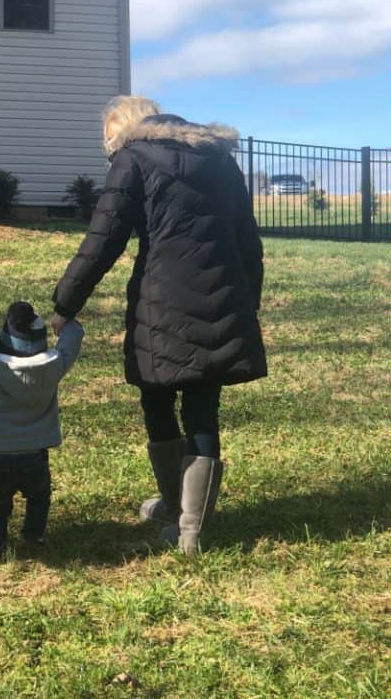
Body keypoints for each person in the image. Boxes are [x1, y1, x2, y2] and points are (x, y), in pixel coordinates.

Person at [51, 96, 266, 553]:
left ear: (129, 128)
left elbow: (101, 241)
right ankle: (193, 528)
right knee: (203, 409)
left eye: (109, 139)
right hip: (223, 297)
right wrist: (248, 303)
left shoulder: (133, 158)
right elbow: (248, 239)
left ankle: (175, 506)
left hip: (160, 301)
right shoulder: (220, 160)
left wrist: (65, 303)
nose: (107, 149)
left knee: (157, 398)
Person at [0, 301, 83, 563]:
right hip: (36, 455)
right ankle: (33, 534)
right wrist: (64, 321)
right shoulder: (54, 366)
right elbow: (73, 340)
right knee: (39, 497)